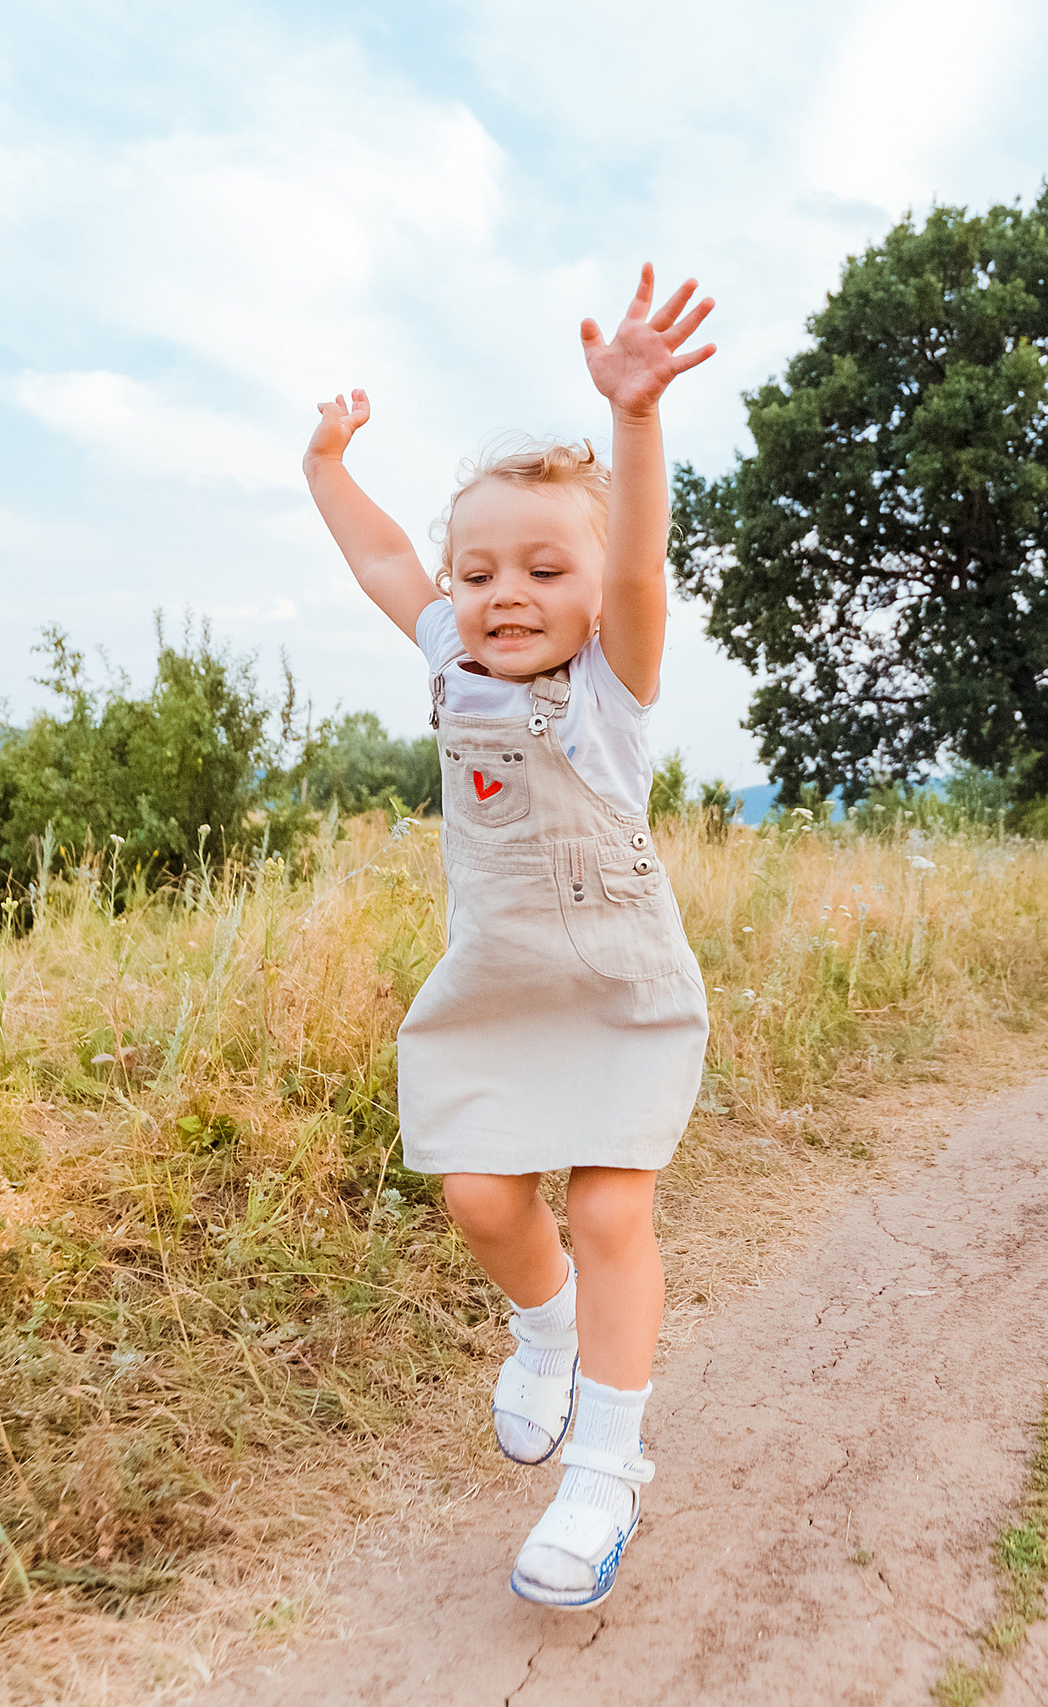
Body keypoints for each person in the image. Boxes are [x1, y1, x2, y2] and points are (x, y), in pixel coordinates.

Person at [300, 265, 716, 1609]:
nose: (505, 591)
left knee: (607, 1207)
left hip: (619, 984)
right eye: (479, 569)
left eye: (545, 567)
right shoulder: (448, 661)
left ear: (594, 593)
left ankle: (605, 1477)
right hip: (496, 981)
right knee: (483, 1199)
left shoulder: (613, 685)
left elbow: (643, 558)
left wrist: (637, 421)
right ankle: (542, 1341)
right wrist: (326, 468)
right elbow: (382, 561)